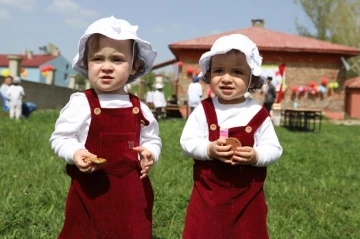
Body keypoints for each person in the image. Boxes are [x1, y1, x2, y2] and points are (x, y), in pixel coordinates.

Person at [49, 16, 161, 239]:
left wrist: (151, 153)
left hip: (132, 191)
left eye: (117, 60)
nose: (106, 67)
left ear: (134, 66)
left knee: (133, 230)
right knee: (83, 231)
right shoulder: (82, 103)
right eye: (98, 59)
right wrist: (75, 152)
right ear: (86, 63)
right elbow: (61, 137)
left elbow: (152, 138)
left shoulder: (139, 107)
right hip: (90, 190)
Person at [180, 34, 283, 239]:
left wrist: (256, 156)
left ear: (251, 78)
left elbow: (274, 148)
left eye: (237, 72)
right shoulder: (204, 110)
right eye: (219, 71)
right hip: (207, 196)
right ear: (209, 75)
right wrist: (208, 149)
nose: (226, 78)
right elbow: (187, 142)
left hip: (247, 197)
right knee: (203, 231)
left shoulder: (257, 113)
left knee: (247, 232)